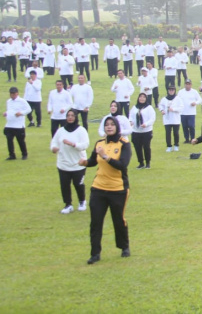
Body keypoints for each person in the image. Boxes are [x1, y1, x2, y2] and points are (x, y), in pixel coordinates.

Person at [79, 116, 132, 264]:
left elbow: (122, 165)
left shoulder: (124, 144)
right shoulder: (99, 143)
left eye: (111, 125)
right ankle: (95, 253)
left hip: (118, 189)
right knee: (95, 222)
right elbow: (93, 161)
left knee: (118, 220)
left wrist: (105, 156)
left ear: (116, 127)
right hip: (98, 188)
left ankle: (124, 247)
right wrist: (85, 162)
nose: (109, 127)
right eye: (106, 125)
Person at [50, 109, 90, 213]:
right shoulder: (61, 130)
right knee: (64, 185)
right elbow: (54, 142)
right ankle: (68, 204)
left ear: (76, 117)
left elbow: (85, 145)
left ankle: (82, 201)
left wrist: (73, 144)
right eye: (68, 115)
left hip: (78, 164)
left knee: (78, 184)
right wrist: (54, 148)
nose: (70, 117)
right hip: (63, 163)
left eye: (72, 115)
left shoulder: (81, 130)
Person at [129, 93, 156, 169]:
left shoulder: (149, 108)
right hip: (136, 131)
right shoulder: (134, 107)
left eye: (144, 97)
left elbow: (152, 118)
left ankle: (148, 163)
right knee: (137, 147)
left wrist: (146, 124)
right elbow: (130, 116)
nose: (142, 98)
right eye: (140, 97)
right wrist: (130, 121)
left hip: (146, 131)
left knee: (146, 147)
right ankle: (141, 163)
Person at [4, 87, 31, 160]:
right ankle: (12, 155)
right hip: (9, 125)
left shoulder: (22, 101)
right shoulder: (8, 101)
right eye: (11, 93)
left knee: (20, 141)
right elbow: (10, 110)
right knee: (9, 140)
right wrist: (6, 113)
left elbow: (29, 109)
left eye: (14, 93)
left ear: (17, 93)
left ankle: (24, 154)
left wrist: (21, 113)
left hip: (19, 125)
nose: (12, 95)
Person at [159, 85, 183, 153]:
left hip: (175, 119)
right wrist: (162, 110)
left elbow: (181, 107)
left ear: (174, 91)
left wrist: (174, 109)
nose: (171, 91)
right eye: (170, 90)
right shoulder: (164, 99)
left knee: (176, 133)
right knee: (168, 133)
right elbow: (160, 105)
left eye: (172, 90)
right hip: (167, 119)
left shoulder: (178, 98)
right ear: (168, 91)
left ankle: (176, 145)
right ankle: (169, 146)